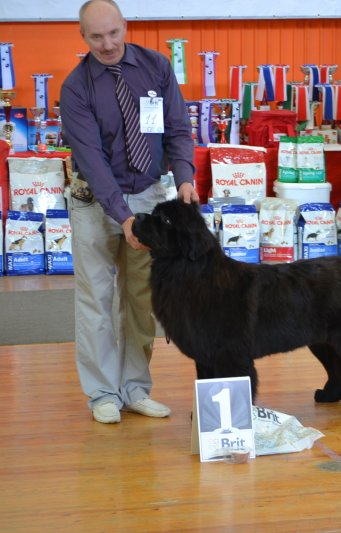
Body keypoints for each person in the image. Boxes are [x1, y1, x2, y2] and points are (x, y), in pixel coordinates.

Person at [60, 0, 199, 424]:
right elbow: (93, 162)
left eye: (113, 33)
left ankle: (135, 388)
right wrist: (124, 218)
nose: (107, 44)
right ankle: (103, 393)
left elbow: (177, 127)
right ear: (83, 37)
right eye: (96, 37)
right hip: (95, 203)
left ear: (125, 26)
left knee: (142, 300)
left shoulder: (156, 66)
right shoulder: (76, 86)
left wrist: (186, 177)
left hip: (150, 194)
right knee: (97, 301)